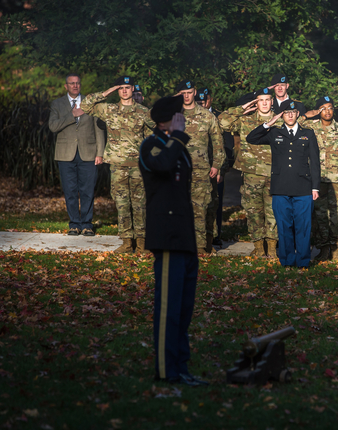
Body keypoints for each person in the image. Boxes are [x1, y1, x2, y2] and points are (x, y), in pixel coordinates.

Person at [139, 95, 207, 387]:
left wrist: (177, 138)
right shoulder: (151, 145)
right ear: (165, 120)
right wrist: (177, 135)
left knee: (183, 308)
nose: (183, 119)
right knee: (168, 307)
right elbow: (163, 166)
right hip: (166, 236)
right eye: (178, 116)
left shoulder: (177, 147)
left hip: (183, 236)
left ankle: (181, 366)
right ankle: (167, 371)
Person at [82, 76, 155, 254]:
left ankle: (142, 243)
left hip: (138, 167)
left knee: (139, 204)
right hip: (118, 166)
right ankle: (127, 243)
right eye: (120, 88)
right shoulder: (110, 109)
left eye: (127, 87)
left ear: (133, 90)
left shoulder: (143, 112)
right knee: (122, 204)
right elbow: (85, 105)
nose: (124, 91)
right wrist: (107, 91)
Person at [246, 100, 320, 268]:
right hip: (281, 187)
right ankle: (286, 261)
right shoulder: (274, 133)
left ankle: (303, 262)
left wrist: (315, 187)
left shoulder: (308, 133)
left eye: (293, 113)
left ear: (298, 115)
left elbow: (315, 162)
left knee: (303, 227)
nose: (290, 115)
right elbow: (251, 138)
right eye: (286, 113)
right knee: (284, 227)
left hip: (303, 187)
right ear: (281, 115)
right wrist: (268, 123)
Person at [218, 88, 281, 257]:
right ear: (256, 103)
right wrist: (243, 108)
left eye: (268, 99)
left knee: (274, 212)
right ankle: (259, 247)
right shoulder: (246, 120)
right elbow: (222, 122)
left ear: (272, 101)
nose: (265, 103)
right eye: (261, 100)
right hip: (251, 174)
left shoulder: (281, 121)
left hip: (275, 174)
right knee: (254, 211)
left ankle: (273, 248)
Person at [48, 73, 106, 236]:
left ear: (81, 85)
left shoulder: (91, 103)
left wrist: (100, 152)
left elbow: (99, 129)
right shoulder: (57, 104)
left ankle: (87, 224)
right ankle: (74, 224)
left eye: (78, 83)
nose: (75, 86)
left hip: (88, 153)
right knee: (70, 190)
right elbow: (53, 126)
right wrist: (71, 116)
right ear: (66, 86)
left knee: (88, 190)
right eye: (71, 83)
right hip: (65, 154)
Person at [175, 80, 225, 255]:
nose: (186, 96)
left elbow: (219, 144)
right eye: (183, 93)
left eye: (189, 92)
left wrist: (216, 165)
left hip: (200, 171)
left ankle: (200, 246)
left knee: (199, 209)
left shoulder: (207, 116)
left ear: (194, 92)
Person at [302, 96, 338, 262]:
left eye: (330, 107)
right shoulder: (310, 127)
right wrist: (307, 115)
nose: (327, 111)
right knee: (319, 215)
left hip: (337, 180)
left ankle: (335, 248)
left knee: (337, 215)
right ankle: (323, 248)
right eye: (323, 108)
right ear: (318, 111)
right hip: (316, 180)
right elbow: (291, 123)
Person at [197, 88, 235, 248]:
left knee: (215, 202)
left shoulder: (219, 117)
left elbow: (228, 146)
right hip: (198, 169)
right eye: (199, 101)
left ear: (210, 99)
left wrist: (221, 169)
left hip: (216, 168)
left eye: (205, 100)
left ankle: (215, 235)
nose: (203, 103)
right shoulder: (193, 116)